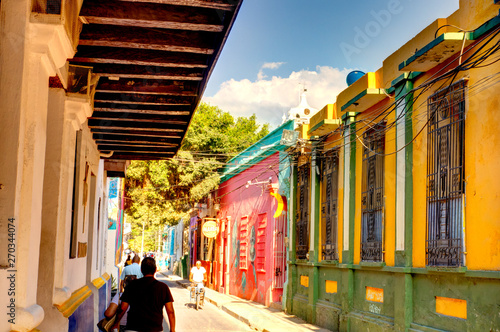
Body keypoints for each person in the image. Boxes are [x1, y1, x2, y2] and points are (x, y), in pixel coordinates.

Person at [114, 257, 175, 332]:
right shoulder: (163, 287)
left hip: (133, 328)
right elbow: (170, 311)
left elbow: (123, 308)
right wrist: (172, 329)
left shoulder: (132, 285)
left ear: (141, 270)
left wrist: (116, 323)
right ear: (155, 270)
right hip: (155, 329)